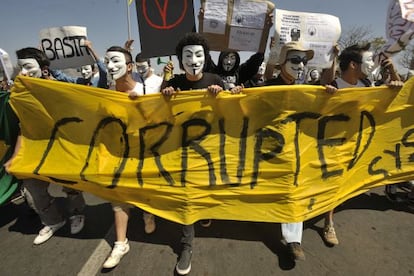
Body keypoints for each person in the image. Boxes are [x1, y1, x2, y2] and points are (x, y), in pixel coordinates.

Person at [4, 47, 86, 245]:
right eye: (21, 68)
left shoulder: (62, 90)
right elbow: (24, 128)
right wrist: (16, 156)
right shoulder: (22, 95)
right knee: (32, 192)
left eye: (28, 67)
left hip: (64, 149)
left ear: (44, 69)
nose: (23, 73)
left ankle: (76, 214)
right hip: (36, 151)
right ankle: (53, 220)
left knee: (71, 187)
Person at [264, 41, 336, 261]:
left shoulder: (306, 90)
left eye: (304, 61)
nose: (301, 65)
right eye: (295, 60)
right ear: (283, 63)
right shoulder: (267, 87)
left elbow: (325, 89)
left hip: (296, 152)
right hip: (269, 151)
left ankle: (293, 240)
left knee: (294, 189)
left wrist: (330, 93)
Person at [327, 42, 403, 245]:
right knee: (333, 183)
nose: (372, 64)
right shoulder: (333, 87)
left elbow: (400, 96)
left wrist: (393, 73)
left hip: (360, 145)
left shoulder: (368, 85)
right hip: (335, 145)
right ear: (353, 64)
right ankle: (329, 223)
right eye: (368, 60)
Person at [161, 32, 224, 275]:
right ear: (180, 60)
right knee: (186, 196)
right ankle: (187, 246)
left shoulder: (215, 79)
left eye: (199, 54)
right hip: (182, 151)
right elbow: (157, 111)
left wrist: (225, 94)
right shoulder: (175, 82)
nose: (194, 59)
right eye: (188, 55)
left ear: (206, 58)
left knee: (206, 188)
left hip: (210, 150)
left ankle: (204, 211)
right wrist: (165, 94)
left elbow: (234, 107)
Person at [102, 46, 157, 269]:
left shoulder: (147, 89)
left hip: (146, 153)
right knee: (119, 196)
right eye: (107, 62)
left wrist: (140, 106)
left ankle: (148, 213)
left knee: (145, 191)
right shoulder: (105, 92)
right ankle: (120, 242)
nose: (110, 66)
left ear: (129, 66)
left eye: (115, 61)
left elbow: (159, 123)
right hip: (119, 154)